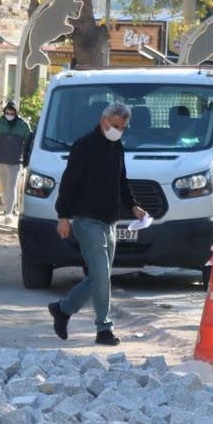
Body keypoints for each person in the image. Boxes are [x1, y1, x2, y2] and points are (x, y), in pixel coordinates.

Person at [47, 101, 147, 346]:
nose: (118, 131)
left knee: (99, 277)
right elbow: (69, 182)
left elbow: (121, 181)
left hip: (110, 222)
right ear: (103, 121)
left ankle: (63, 309)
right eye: (115, 126)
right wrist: (63, 216)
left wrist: (133, 205)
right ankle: (104, 329)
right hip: (86, 220)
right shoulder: (84, 146)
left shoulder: (117, 147)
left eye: (123, 128)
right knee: (101, 276)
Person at [0, 100, 31, 220]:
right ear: (4, 112)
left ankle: (9, 213)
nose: (9, 114)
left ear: (16, 113)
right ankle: (8, 208)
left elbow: (30, 142)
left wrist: (27, 157)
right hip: (1, 160)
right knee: (5, 187)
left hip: (15, 162)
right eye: (7, 112)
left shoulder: (23, 126)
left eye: (11, 112)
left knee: (11, 187)